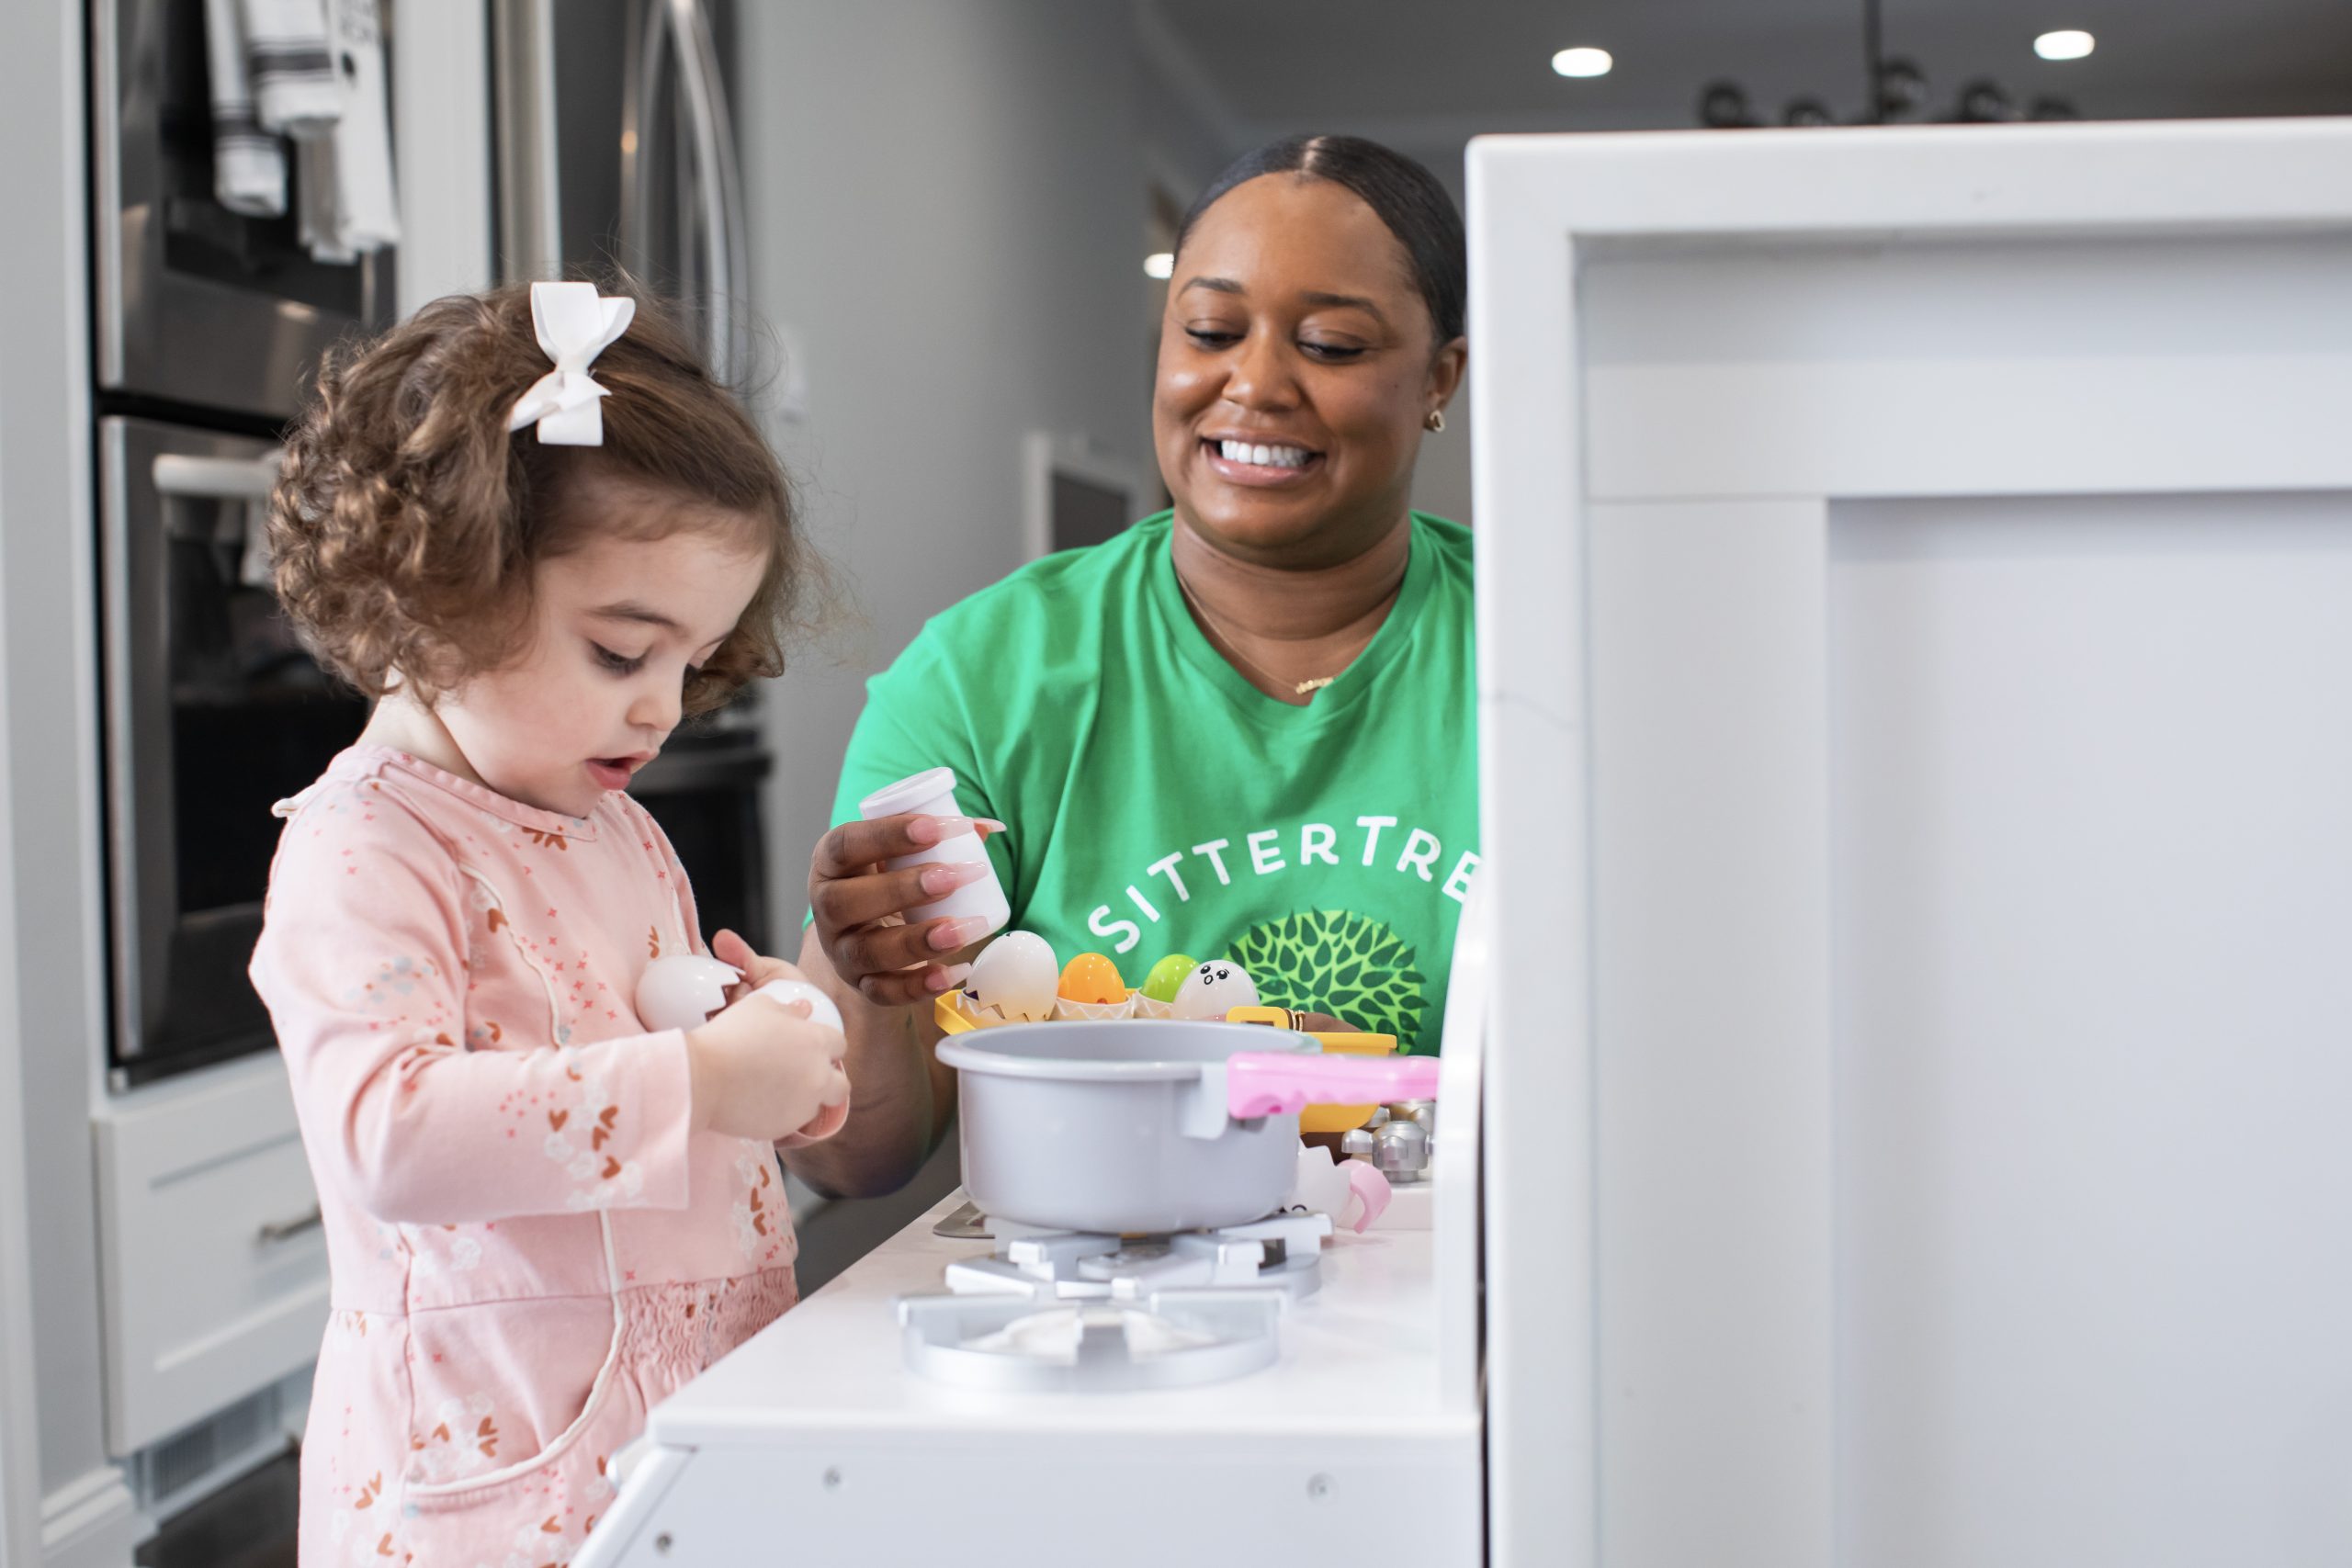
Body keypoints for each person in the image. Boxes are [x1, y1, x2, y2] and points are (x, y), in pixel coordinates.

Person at [249, 281, 846, 1563]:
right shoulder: (366, 843)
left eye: (696, 660)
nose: (665, 710)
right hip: (498, 1481)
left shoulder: (612, 821)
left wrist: (764, 1056)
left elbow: (636, 1038)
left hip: (671, 1437)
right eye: (624, 653)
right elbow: (386, 1132)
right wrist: (700, 1079)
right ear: (441, 585)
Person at [788, 135, 1477, 1201]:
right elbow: (853, 1159)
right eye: (1208, 330)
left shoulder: (1551, 645)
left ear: (1439, 378)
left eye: (1332, 345)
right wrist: (860, 971)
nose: (1254, 383)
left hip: (1485, 1299)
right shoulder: (986, 674)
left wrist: (1377, 1109)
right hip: (1113, 1296)